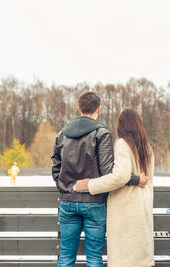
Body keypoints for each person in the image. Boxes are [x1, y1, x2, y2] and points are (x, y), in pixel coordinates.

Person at [51, 92, 142, 267]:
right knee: (94, 258)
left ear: (79, 108)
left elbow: (55, 165)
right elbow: (109, 171)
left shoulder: (62, 134)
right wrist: (135, 179)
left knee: (66, 257)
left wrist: (63, 186)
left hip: (67, 202)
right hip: (95, 203)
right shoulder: (102, 133)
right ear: (98, 109)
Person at [75, 108, 155, 267]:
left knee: (124, 259)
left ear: (121, 125)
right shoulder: (147, 148)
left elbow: (120, 176)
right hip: (143, 209)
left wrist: (89, 185)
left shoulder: (122, 143)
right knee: (141, 260)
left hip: (126, 211)